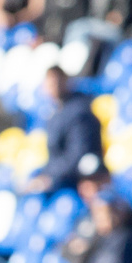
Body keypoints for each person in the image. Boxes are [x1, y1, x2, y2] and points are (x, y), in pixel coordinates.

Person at [31, 66, 104, 196]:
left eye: (57, 81)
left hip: (77, 178)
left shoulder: (79, 111)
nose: (54, 86)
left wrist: (51, 178)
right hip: (60, 175)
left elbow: (78, 154)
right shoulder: (53, 114)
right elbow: (54, 156)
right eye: (50, 83)